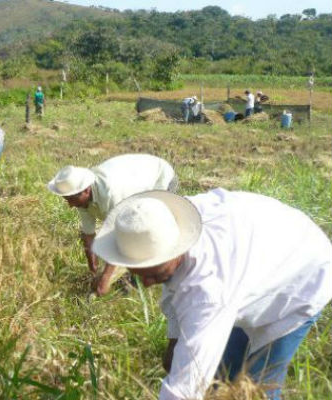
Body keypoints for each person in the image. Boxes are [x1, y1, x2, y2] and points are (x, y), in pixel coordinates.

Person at [91, 188, 332, 400]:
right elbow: (175, 285)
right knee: (220, 377)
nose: (146, 283)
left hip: (302, 277)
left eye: (154, 274)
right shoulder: (164, 222)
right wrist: (175, 344)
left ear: (177, 250)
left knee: (256, 391)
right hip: (257, 255)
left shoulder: (208, 290)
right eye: (138, 273)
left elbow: (183, 393)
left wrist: (183, 368)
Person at [47, 154, 177, 296]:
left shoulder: (111, 194)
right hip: (135, 176)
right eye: (67, 200)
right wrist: (93, 270)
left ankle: (143, 277)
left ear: (86, 190)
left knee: (147, 229)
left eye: (71, 199)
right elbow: (89, 235)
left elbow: (120, 238)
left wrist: (105, 278)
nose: (70, 205)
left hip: (159, 177)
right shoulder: (79, 197)